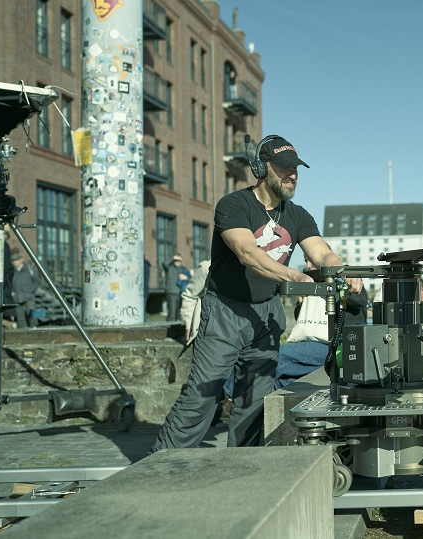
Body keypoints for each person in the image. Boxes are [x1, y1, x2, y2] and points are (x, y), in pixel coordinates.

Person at [150, 135, 362, 451]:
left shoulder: (298, 215)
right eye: (285, 168)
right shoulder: (234, 205)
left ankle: (244, 463)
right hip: (226, 310)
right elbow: (248, 253)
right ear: (261, 168)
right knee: (203, 392)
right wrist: (295, 276)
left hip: (267, 312)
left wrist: (341, 270)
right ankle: (164, 460)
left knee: (255, 397)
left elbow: (322, 253)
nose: (292, 175)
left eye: (296, 169)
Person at [275, 284, 368, 390]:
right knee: (283, 380)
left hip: (331, 346)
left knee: (275, 357)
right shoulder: (310, 282)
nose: (309, 266)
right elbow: (302, 321)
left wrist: (342, 282)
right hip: (308, 345)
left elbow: (361, 300)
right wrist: (300, 303)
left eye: (313, 265)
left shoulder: (344, 278)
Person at [10, 252, 40, 328]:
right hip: (17, 297)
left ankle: (35, 329)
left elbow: (36, 280)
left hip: (28, 296)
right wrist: (12, 292)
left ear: (21, 260)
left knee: (32, 314)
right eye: (13, 260)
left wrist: (30, 290)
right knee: (20, 318)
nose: (14, 262)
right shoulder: (12, 271)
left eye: (16, 260)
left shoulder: (29, 269)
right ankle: (22, 333)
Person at [162, 254, 190, 322]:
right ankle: (168, 329)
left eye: (179, 260)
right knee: (172, 314)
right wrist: (173, 257)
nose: (178, 261)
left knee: (179, 315)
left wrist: (187, 278)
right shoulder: (169, 268)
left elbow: (192, 279)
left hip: (181, 293)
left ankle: (177, 331)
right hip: (171, 293)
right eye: (176, 260)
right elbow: (164, 263)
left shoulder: (183, 269)